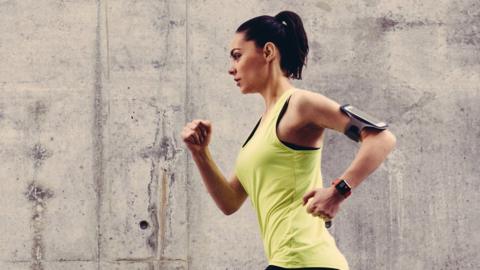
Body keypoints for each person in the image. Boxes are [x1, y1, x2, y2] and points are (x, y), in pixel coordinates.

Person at [181, 10, 396, 270]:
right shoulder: (263, 126)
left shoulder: (300, 104)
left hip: (307, 261)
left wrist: (338, 191)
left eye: (238, 56)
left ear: (268, 52)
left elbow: (381, 138)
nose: (231, 68)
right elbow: (230, 202)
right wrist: (200, 153)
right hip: (287, 262)